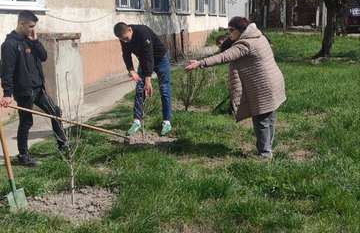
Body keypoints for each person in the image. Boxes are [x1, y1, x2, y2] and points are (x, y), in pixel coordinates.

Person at [185, 17, 286, 159]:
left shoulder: (245, 43)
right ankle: (267, 148)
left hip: (263, 86)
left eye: (231, 30)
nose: (229, 34)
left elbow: (224, 57)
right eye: (228, 30)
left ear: (241, 30)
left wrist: (200, 63)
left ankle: (265, 154)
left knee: (261, 119)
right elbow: (225, 50)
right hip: (274, 82)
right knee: (269, 117)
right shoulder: (258, 36)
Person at [0, 10, 68, 167]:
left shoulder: (30, 40)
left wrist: (35, 41)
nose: (33, 29)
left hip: (38, 88)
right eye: (31, 26)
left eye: (34, 26)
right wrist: (7, 93)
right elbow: (6, 71)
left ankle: (62, 144)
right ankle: (23, 155)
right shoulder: (10, 44)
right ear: (21, 24)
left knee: (55, 112)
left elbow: (43, 56)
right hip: (24, 91)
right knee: (26, 122)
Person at [113, 22, 172, 136]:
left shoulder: (142, 32)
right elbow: (126, 54)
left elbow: (149, 56)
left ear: (130, 30)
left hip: (160, 58)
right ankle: (136, 122)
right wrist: (131, 70)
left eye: (126, 38)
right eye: (122, 40)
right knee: (140, 89)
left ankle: (166, 121)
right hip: (144, 61)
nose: (125, 41)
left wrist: (148, 80)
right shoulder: (123, 37)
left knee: (164, 88)